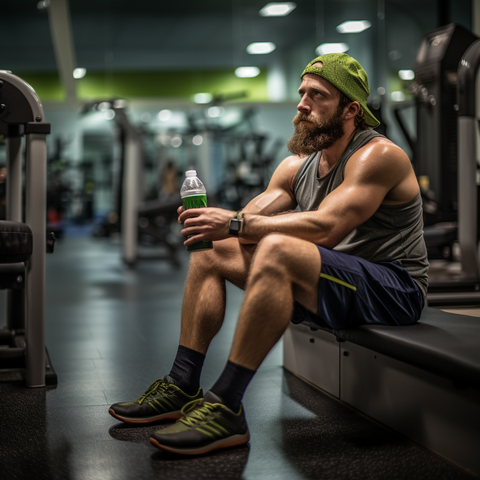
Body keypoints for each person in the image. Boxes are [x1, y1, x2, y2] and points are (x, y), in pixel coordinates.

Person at [109, 53, 428, 456]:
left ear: (351, 110)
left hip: (393, 288)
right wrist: (214, 222)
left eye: (317, 95)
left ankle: (225, 406)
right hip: (331, 280)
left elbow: (327, 228)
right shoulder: (297, 166)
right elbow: (250, 219)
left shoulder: (379, 156)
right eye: (301, 93)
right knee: (213, 250)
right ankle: (182, 382)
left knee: (277, 247)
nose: (302, 104)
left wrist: (238, 224)